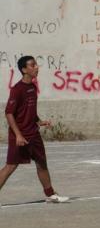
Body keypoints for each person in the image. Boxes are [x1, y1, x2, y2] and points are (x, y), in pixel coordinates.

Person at [0, 56, 68, 205]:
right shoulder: (17, 89)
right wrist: (18, 135)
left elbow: (29, 110)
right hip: (20, 136)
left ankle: (50, 194)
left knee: (42, 163)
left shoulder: (32, 87)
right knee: (10, 166)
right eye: (32, 65)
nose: (36, 67)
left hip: (34, 134)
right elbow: (9, 113)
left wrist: (39, 121)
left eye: (36, 64)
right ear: (24, 69)